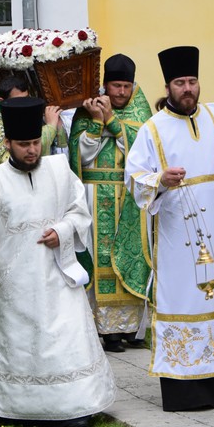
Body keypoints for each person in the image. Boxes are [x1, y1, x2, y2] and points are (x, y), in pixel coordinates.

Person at [0, 97, 115, 427]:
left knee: (65, 338)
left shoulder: (59, 172)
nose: (32, 150)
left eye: (35, 142)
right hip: (14, 284)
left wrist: (63, 231)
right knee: (20, 343)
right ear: (8, 143)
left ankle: (74, 406)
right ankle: (15, 407)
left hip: (57, 277)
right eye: (23, 144)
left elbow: (79, 212)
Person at [125, 46, 214, 412]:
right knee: (183, 298)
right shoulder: (153, 129)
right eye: (180, 83)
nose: (188, 88)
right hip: (178, 234)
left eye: (192, 81)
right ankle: (186, 390)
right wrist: (160, 179)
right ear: (168, 87)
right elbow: (134, 178)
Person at [68, 53, 154, 353]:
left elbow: (145, 150)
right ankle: (105, 330)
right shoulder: (86, 109)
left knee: (131, 258)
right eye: (116, 86)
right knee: (99, 256)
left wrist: (113, 124)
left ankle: (131, 328)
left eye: (126, 86)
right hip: (93, 194)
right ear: (106, 85)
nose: (121, 92)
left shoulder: (141, 110)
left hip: (129, 196)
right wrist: (95, 122)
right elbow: (79, 156)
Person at [0, 75, 64, 171]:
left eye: (26, 98)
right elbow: (9, 157)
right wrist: (51, 126)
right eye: (18, 100)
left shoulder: (29, 111)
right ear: (2, 101)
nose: (25, 104)